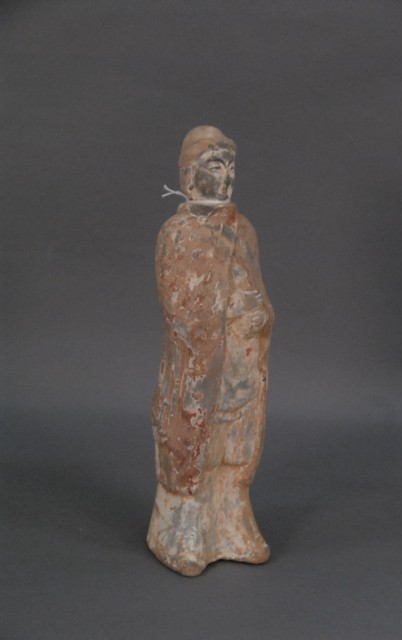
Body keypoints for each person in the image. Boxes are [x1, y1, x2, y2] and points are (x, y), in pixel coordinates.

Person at [147, 126, 274, 576]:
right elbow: (179, 310)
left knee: (235, 448)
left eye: (231, 166)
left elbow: (258, 292)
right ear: (189, 177)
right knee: (195, 448)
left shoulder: (245, 232)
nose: (227, 176)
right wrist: (230, 310)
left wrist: (259, 316)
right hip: (199, 372)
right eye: (216, 165)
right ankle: (183, 532)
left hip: (239, 364)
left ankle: (232, 521)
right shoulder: (176, 234)